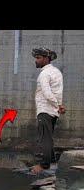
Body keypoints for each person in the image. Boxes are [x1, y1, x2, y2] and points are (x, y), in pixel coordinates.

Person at [30, 47, 66, 175]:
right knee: (49, 137)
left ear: (46, 59)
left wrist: (57, 105)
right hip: (53, 111)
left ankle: (44, 165)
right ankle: (52, 161)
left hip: (45, 109)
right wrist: (59, 105)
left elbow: (47, 93)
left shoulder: (44, 74)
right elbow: (58, 92)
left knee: (44, 137)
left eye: (38, 58)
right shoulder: (57, 72)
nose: (36, 60)